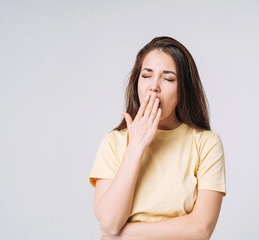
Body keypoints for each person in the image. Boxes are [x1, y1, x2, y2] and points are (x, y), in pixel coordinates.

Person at [89, 36, 226, 240]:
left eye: (168, 79)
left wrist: (122, 236)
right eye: (146, 76)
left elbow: (201, 229)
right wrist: (135, 148)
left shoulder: (206, 143)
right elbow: (109, 221)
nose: (154, 87)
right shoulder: (114, 143)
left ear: (184, 89)